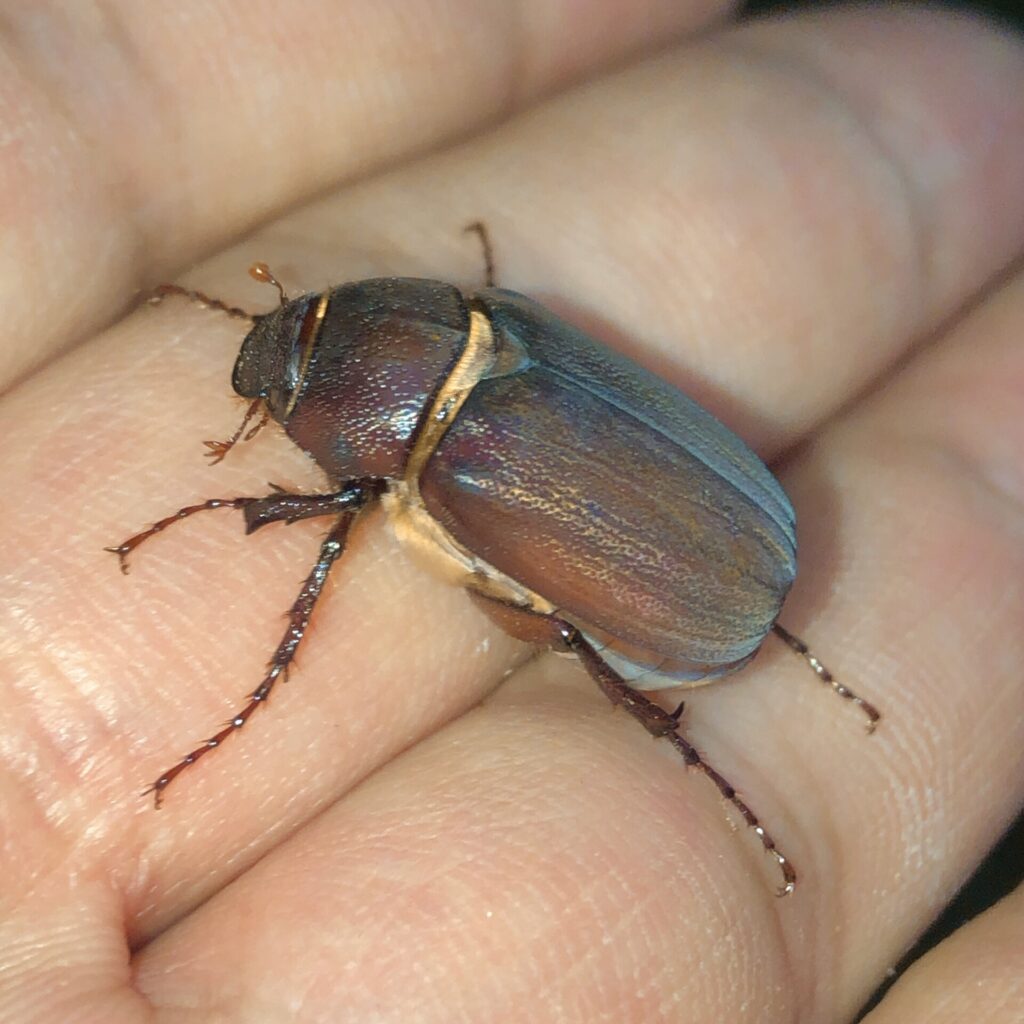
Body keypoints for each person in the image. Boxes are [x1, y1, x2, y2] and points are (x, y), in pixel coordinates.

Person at [0, 2, 1021, 1021]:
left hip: (700, 587)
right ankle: (762, 691)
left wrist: (242, 512)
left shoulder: (450, 458)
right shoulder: (497, 320)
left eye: (295, 366)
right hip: (748, 506)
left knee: (562, 623)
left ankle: (698, 760)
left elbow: (342, 505)